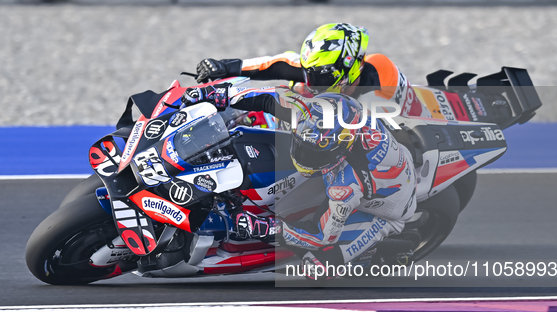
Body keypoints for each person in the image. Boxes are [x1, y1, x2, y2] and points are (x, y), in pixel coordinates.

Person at [181, 86, 417, 279]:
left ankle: (373, 253)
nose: (304, 158)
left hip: (387, 210)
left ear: (340, 151)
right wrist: (219, 94)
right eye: (303, 146)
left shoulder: (346, 185)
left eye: (315, 155)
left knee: (316, 267)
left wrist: (268, 228)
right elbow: (267, 98)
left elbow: (322, 235)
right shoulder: (316, 113)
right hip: (385, 161)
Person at [193, 22, 429, 118]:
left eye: (320, 76)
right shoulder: (321, 69)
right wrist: (224, 67)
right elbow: (276, 63)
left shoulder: (376, 94)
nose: (311, 79)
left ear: (350, 67)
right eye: (309, 71)